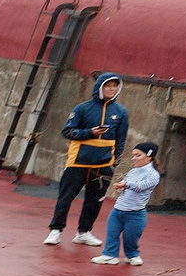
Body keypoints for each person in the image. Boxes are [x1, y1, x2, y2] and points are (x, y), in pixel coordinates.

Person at [46, 74, 127, 247]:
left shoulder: (120, 112)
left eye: (114, 86)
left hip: (104, 164)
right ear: (99, 87)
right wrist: (90, 132)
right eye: (107, 86)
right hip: (78, 162)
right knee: (66, 197)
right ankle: (55, 230)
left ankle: (83, 232)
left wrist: (115, 161)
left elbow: (121, 138)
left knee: (95, 200)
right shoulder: (82, 108)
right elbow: (67, 132)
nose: (111, 89)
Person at [94, 143, 161, 266]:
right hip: (118, 210)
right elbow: (126, 184)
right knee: (112, 234)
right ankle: (110, 255)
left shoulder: (153, 174)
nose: (133, 158)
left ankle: (132, 255)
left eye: (138, 155)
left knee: (130, 238)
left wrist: (126, 185)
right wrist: (121, 188)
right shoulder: (133, 171)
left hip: (135, 213)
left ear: (149, 156)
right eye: (133, 155)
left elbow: (141, 187)